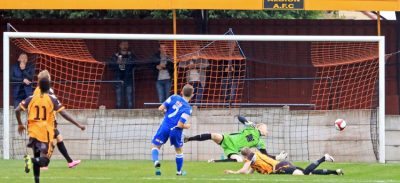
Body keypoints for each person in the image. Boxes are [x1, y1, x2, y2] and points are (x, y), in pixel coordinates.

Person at [15, 70, 86, 183]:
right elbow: (64, 114)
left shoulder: (31, 97)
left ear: (38, 82)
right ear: (48, 82)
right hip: (45, 133)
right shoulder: (51, 98)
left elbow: (17, 110)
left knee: (37, 157)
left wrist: (20, 124)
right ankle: (31, 160)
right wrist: (78, 124)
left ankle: (36, 178)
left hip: (33, 131)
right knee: (44, 161)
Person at [184, 116, 287, 163]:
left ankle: (214, 162)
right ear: (259, 127)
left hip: (233, 150)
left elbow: (265, 155)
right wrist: (246, 121)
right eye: (265, 127)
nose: (266, 129)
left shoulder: (260, 142)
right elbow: (239, 117)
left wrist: (277, 157)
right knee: (214, 135)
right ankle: (189, 139)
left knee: (239, 160)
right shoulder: (251, 127)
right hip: (228, 139)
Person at [31, 87, 83, 170]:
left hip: (48, 126)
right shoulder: (49, 102)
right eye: (51, 94)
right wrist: (78, 125)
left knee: (59, 139)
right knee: (51, 145)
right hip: (48, 127)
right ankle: (42, 164)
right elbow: (64, 114)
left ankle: (70, 161)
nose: (53, 95)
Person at [151, 84, 194, 176]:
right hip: (176, 130)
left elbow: (160, 108)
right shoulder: (188, 109)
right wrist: (187, 126)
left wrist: (166, 113)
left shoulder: (174, 97)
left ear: (181, 92)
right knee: (179, 151)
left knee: (156, 146)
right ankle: (179, 172)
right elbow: (180, 124)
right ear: (192, 95)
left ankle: (156, 161)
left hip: (165, 126)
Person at [224, 147, 344, 176]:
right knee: (309, 173)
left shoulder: (251, 157)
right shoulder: (255, 157)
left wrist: (233, 172)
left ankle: (323, 158)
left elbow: (245, 169)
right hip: (282, 165)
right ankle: (335, 171)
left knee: (305, 174)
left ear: (244, 155)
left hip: (280, 168)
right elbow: (249, 172)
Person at [109, 41, 136, 109]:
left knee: (129, 98)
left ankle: (130, 112)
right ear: (120, 46)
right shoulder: (116, 56)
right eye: (123, 44)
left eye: (126, 44)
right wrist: (117, 63)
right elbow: (110, 66)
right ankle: (118, 112)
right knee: (119, 98)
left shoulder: (131, 55)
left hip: (128, 78)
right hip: (118, 78)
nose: (124, 46)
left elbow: (137, 65)